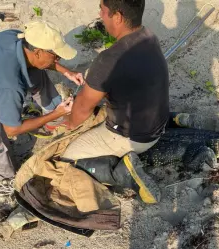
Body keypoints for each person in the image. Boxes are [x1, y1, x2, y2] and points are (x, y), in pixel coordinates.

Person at [62, 0, 169, 204]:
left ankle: (123, 173)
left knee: (68, 161)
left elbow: (81, 111)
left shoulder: (109, 59)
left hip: (133, 138)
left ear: (117, 17)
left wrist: (67, 123)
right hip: (158, 124)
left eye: (102, 11)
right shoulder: (149, 36)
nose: (100, 16)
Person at [0, 20, 84, 184]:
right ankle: (56, 114)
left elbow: (40, 62)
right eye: (56, 55)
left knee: (36, 71)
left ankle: (55, 119)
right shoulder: (11, 86)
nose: (59, 59)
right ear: (38, 52)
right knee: (4, 171)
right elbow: (12, 130)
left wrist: (67, 72)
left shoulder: (15, 37)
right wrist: (57, 112)